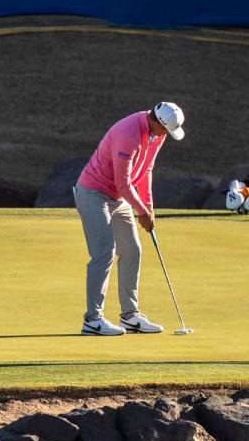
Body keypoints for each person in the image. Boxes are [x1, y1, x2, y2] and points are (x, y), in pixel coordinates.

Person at [72, 101, 186, 336]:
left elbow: (146, 171)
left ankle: (130, 316)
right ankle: (92, 320)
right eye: (166, 130)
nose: (167, 135)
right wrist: (141, 212)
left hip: (118, 195)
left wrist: (148, 208)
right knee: (104, 251)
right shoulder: (129, 134)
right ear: (156, 122)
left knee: (132, 249)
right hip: (94, 192)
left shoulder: (158, 134)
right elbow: (123, 183)